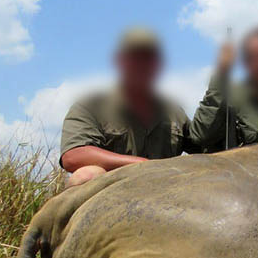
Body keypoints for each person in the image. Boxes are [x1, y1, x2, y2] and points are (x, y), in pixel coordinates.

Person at [60, 27, 196, 187]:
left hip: (165, 192)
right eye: (135, 57)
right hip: (113, 194)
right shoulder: (91, 106)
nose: (142, 65)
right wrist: (143, 165)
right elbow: (73, 156)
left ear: (157, 65)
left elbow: (206, 148)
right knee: (86, 175)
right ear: (120, 61)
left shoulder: (174, 112)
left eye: (148, 58)